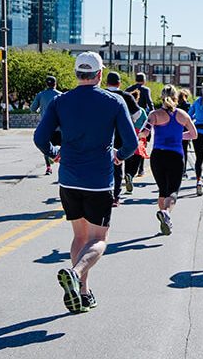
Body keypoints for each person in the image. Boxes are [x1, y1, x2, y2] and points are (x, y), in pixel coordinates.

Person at [35, 52, 138, 314]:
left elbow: (39, 137)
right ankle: (76, 272)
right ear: (100, 74)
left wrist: (54, 151)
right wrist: (119, 156)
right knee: (99, 239)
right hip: (98, 181)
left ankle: (83, 291)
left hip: (68, 179)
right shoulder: (114, 102)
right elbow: (131, 144)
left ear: (76, 74)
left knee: (79, 236)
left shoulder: (60, 101)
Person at [145, 85, 197, 236]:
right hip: (175, 155)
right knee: (173, 191)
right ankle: (166, 213)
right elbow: (194, 135)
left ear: (161, 97)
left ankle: (163, 215)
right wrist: (179, 136)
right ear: (176, 97)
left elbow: (145, 132)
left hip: (158, 156)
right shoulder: (182, 115)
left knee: (163, 189)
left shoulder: (154, 115)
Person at [105, 72, 142, 204]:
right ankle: (115, 196)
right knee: (118, 163)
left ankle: (102, 192)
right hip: (121, 133)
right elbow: (138, 113)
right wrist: (128, 120)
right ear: (119, 83)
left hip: (103, 132)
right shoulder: (126, 96)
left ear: (106, 82)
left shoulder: (101, 94)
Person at [31, 76, 62, 175]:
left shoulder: (40, 95)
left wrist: (40, 110)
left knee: (47, 147)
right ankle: (63, 166)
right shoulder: (61, 95)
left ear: (46, 84)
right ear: (55, 84)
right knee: (63, 146)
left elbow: (32, 109)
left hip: (46, 126)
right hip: (60, 127)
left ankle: (48, 167)